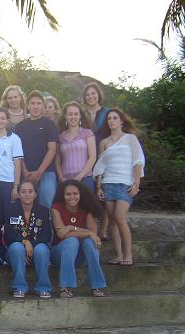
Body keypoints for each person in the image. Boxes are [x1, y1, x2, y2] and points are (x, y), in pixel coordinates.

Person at [94, 108, 144, 267]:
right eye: (109, 118)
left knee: (120, 216)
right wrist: (98, 187)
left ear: (121, 121)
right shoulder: (104, 142)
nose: (111, 120)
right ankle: (118, 255)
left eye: (115, 118)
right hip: (108, 183)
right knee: (112, 222)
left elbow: (138, 161)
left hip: (125, 183)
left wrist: (136, 183)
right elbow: (100, 166)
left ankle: (128, 254)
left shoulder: (130, 139)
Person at [51, 179, 107, 297]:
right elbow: (61, 234)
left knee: (90, 242)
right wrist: (84, 232)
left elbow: (93, 234)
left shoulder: (86, 209)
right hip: (59, 254)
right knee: (71, 241)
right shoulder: (56, 207)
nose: (72, 197)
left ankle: (96, 286)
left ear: (80, 194)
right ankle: (64, 288)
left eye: (75, 194)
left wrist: (71, 228)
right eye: (68, 194)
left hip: (79, 255)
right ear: (63, 196)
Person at [0, 107, 23, 266]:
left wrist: (16, 186)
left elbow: (17, 163)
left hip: (8, 183)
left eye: (2, 118)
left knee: (10, 219)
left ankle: (12, 253)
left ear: (7, 120)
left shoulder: (14, 138)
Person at [2, 181, 52, 298]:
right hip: (16, 254)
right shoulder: (11, 210)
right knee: (16, 247)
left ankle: (43, 288)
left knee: (42, 248)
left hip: (37, 254)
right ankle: (20, 288)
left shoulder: (43, 211)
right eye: (23, 191)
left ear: (35, 194)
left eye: (30, 191)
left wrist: (32, 245)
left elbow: (47, 235)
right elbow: (8, 235)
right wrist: (25, 242)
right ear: (18, 195)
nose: (27, 194)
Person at [16, 90, 58, 209]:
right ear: (27, 106)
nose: (36, 106)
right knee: (25, 206)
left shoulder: (49, 125)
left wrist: (39, 172)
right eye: (33, 103)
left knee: (48, 205)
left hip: (46, 172)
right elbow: (18, 152)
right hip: (26, 173)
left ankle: (49, 223)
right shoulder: (20, 126)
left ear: (43, 106)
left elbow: (52, 150)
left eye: (39, 103)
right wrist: (24, 171)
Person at [83, 82, 110, 240]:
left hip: (103, 156)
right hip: (86, 157)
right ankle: (89, 226)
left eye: (93, 93)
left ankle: (103, 230)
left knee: (103, 193)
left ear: (98, 95)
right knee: (90, 193)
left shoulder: (107, 113)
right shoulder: (83, 113)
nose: (91, 97)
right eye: (88, 94)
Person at [55, 101, 96, 191]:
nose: (73, 117)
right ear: (65, 116)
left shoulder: (87, 133)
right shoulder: (60, 136)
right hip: (66, 180)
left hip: (85, 179)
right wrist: (61, 178)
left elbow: (92, 158)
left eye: (76, 114)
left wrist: (79, 177)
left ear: (80, 116)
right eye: (70, 114)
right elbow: (57, 160)